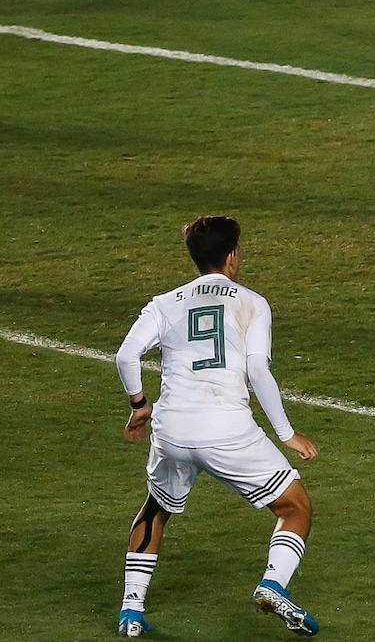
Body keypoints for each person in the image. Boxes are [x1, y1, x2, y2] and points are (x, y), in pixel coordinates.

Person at [114, 216, 321, 637]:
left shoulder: (164, 303)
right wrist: (287, 434)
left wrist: (139, 405)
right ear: (232, 256)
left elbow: (126, 355)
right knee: (294, 506)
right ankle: (273, 584)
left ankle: (131, 613)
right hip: (227, 431)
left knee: (155, 508)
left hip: (171, 431)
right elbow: (258, 371)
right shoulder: (252, 302)